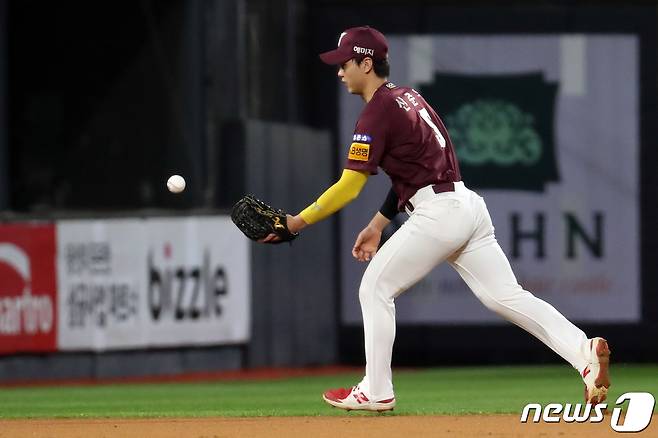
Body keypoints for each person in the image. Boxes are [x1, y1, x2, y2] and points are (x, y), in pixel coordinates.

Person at [260, 25, 611, 412]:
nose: (340, 71)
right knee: (507, 297)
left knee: (374, 289)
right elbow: (412, 171)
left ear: (366, 62)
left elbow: (349, 186)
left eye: (345, 63)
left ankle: (375, 390)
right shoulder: (410, 97)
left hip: (439, 213)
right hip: (465, 205)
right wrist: (378, 224)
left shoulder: (376, 112)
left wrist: (296, 223)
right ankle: (584, 352)